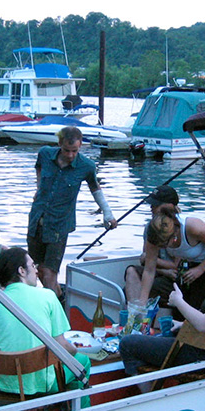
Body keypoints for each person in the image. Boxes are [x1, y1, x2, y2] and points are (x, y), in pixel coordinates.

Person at [119, 231, 205, 383]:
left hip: (200, 356)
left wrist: (178, 301)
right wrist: (182, 324)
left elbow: (204, 324)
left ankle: (147, 396)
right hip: (201, 346)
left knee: (128, 344)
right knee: (151, 338)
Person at [0, 247, 91, 408]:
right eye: (33, 266)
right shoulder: (47, 296)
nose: (37, 271)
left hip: (3, 383)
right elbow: (62, 346)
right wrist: (75, 352)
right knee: (82, 362)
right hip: (42, 384)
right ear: (21, 271)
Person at [27, 126, 117, 300]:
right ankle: (60, 298)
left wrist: (108, 214)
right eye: (66, 150)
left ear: (80, 145)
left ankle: (55, 312)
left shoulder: (87, 166)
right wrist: (38, 188)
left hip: (59, 225)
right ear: (59, 143)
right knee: (35, 269)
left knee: (49, 273)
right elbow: (38, 168)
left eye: (74, 151)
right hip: (36, 219)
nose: (70, 155)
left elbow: (96, 190)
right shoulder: (45, 153)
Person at [134, 203, 205, 319]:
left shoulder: (192, 227)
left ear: (174, 235)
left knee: (196, 309)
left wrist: (201, 268)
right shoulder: (154, 235)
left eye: (164, 245)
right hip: (185, 266)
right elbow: (149, 270)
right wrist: (142, 303)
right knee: (179, 311)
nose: (160, 248)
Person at [124, 185, 181, 307]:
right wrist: (163, 270)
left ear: (169, 207)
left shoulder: (178, 226)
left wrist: (152, 260)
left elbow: (174, 266)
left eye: (155, 205)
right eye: (151, 204)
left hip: (175, 277)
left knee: (152, 287)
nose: (151, 208)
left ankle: (143, 317)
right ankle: (135, 315)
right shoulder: (150, 227)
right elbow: (146, 262)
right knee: (131, 271)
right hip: (160, 272)